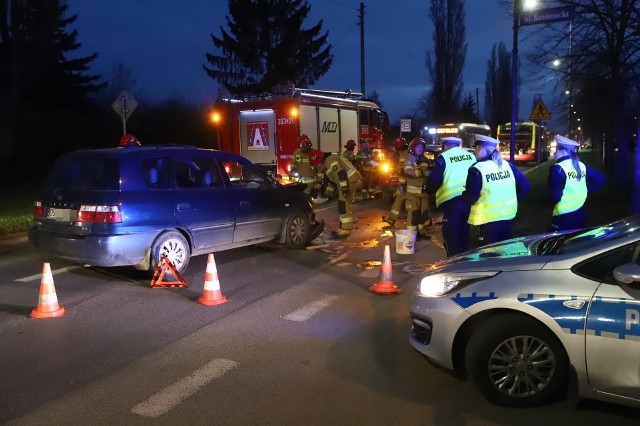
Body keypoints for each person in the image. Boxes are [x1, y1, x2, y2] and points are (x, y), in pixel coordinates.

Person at [462, 134, 530, 244]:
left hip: (487, 221)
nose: (474, 151)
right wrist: (515, 201)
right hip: (507, 217)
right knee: (504, 252)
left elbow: (471, 198)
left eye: (475, 148)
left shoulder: (477, 169)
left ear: (481, 149)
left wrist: (464, 195)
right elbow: (525, 186)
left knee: (489, 255)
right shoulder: (507, 165)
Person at [424, 136, 476, 256]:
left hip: (452, 201)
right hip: (469, 200)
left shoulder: (444, 158)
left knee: (452, 234)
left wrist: (429, 190)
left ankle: (453, 262)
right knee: (465, 232)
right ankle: (465, 260)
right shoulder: (471, 156)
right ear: (459, 145)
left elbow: (434, 180)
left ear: (445, 146)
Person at [548, 134, 606, 231]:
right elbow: (601, 179)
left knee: (553, 244)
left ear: (563, 151)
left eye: (557, 149)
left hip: (562, 217)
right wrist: (586, 190)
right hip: (580, 213)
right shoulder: (581, 165)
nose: (554, 153)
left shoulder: (558, 169)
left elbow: (555, 197)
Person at [310, 149, 362, 239]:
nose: (317, 167)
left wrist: (344, 188)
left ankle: (345, 229)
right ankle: (344, 226)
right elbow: (333, 181)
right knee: (344, 203)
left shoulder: (330, 160)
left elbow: (341, 174)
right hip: (348, 180)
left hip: (348, 180)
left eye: (317, 164)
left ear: (319, 160)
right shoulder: (327, 162)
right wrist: (326, 193)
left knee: (343, 204)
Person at [404, 137, 431, 239]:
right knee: (413, 215)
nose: (420, 149)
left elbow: (430, 171)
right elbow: (407, 171)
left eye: (421, 147)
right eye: (418, 147)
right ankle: (411, 236)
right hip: (412, 194)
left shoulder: (425, 159)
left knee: (424, 215)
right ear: (413, 148)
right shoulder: (410, 159)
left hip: (423, 194)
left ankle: (421, 232)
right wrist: (422, 172)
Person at [382, 137, 409, 227]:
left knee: (403, 199)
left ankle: (393, 219)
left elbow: (402, 170)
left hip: (406, 183)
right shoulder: (409, 153)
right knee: (402, 199)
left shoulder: (403, 155)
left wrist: (401, 184)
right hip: (409, 182)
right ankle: (392, 218)